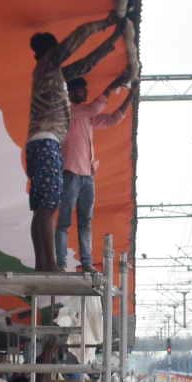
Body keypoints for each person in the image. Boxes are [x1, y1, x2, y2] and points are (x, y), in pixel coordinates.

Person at [25, 14, 120, 271]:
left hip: (41, 143)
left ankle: (43, 263)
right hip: (46, 143)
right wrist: (106, 23)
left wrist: (112, 41)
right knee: (48, 205)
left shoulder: (52, 74)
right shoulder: (47, 66)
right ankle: (48, 264)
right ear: (51, 52)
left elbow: (85, 65)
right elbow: (76, 39)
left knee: (44, 206)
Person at [56, 59, 135, 273]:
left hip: (86, 175)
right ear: (71, 93)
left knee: (84, 222)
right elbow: (97, 107)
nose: (83, 92)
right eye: (79, 90)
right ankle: (62, 263)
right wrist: (116, 84)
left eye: (84, 89)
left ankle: (87, 263)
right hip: (72, 172)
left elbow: (112, 119)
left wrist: (129, 97)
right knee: (66, 221)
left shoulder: (85, 117)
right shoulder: (70, 112)